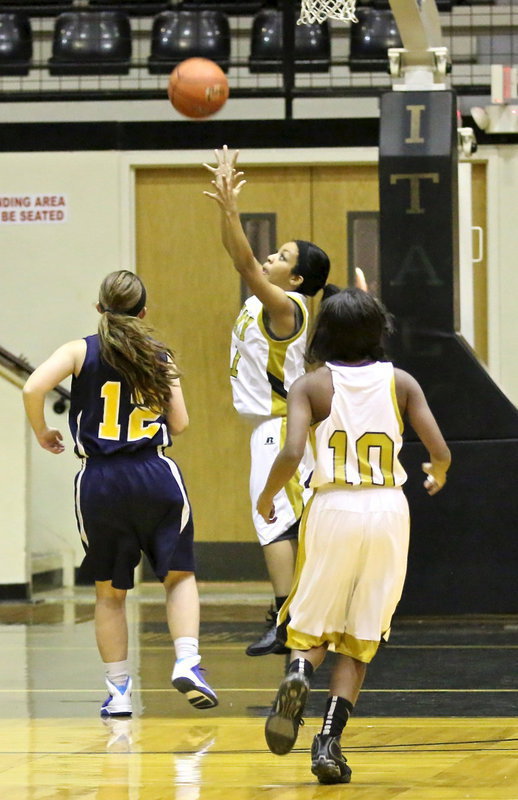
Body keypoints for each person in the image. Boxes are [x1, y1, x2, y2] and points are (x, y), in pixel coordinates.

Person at [256, 287, 451, 784]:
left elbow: (290, 450)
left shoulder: (311, 385)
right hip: (387, 509)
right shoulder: (401, 381)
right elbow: (440, 448)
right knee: (359, 637)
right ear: (377, 333)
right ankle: (328, 742)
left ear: (323, 335)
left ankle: (298, 674)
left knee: (311, 623)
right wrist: (438, 471)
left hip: (334, 506)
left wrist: (267, 497)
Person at [23, 270, 218, 717]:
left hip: (100, 480)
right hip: (154, 474)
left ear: (99, 309)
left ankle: (119, 694)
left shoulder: (79, 350)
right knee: (179, 575)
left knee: (110, 592)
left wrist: (43, 431)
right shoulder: (159, 354)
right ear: (144, 313)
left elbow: (34, 387)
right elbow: (181, 423)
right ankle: (187, 660)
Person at [204, 146, 331, 657]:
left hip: (283, 426)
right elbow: (239, 259)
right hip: (266, 427)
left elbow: (241, 261)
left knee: (278, 518)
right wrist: (224, 211)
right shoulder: (267, 299)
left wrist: (230, 207)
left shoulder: (289, 306)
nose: (269, 259)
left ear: (297, 279)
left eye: (281, 257)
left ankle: (289, 617)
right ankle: (292, 614)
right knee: (274, 519)